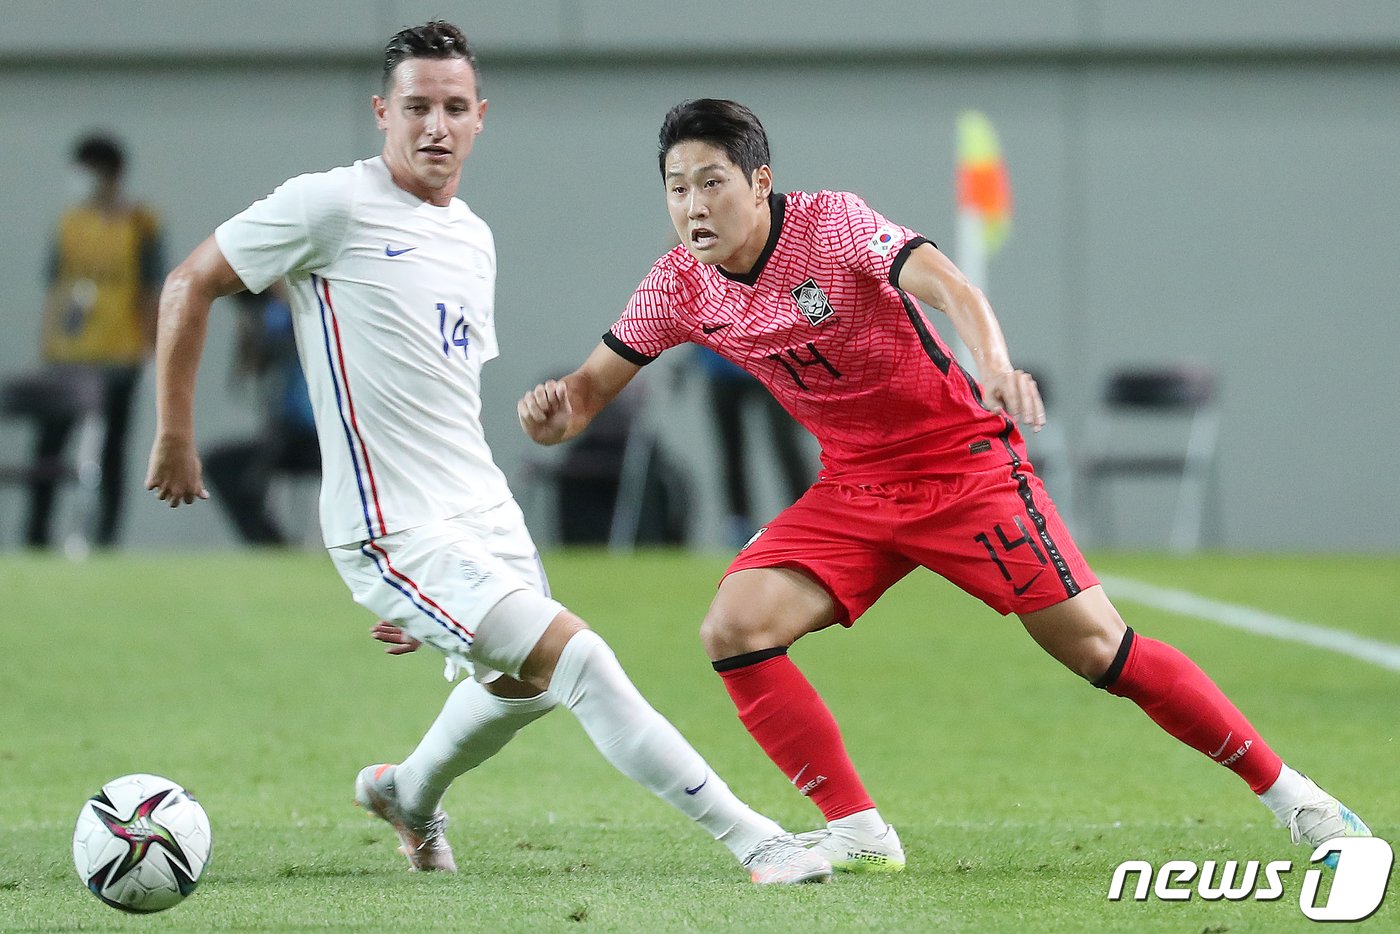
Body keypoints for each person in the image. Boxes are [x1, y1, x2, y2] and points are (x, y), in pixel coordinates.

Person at [517, 99, 1371, 874]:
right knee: (734, 627)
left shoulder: (833, 226)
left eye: (712, 182)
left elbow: (949, 285)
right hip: (853, 491)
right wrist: (553, 415)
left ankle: (1298, 801)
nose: (694, 206)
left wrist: (993, 365)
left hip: (964, 470)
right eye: (676, 189)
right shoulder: (676, 285)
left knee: (1098, 651)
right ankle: (856, 830)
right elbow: (584, 398)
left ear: (760, 180)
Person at [144, 26, 828, 885]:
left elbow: (438, 395)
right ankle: (756, 841)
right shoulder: (329, 205)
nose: (436, 125)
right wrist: (175, 432)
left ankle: (408, 793)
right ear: (382, 112)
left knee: (528, 685)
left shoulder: (472, 236)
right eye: (418, 107)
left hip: (477, 509)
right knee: (578, 659)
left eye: (454, 108)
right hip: (392, 526)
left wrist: (438, 591)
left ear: (479, 119)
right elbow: (189, 282)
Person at [28, 133, 165, 549]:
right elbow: (56, 285)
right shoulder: (69, 223)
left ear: (110, 174)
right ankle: (36, 535)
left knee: (112, 450)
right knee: (49, 446)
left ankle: (105, 538)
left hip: (118, 353)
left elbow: (151, 288)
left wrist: (152, 349)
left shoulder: (140, 223)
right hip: (68, 354)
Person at [202, 285, 320, 546]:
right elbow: (250, 369)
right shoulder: (269, 314)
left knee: (253, 475)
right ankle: (272, 547)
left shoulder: (311, 306)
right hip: (291, 436)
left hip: (332, 438)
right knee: (223, 467)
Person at [692, 346, 813, 547]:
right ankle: (738, 524)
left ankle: (807, 519)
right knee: (730, 452)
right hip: (721, 363)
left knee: (785, 444)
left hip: (772, 360)